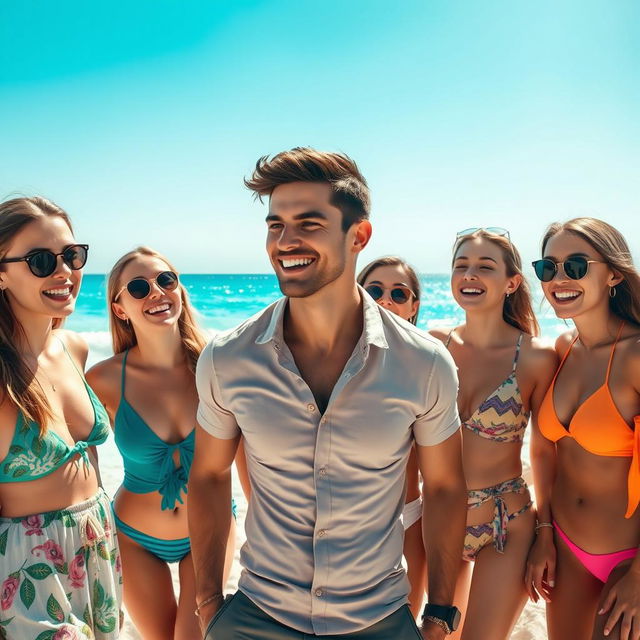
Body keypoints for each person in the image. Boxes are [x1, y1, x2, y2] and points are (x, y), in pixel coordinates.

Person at [190, 147, 467, 640]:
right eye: (275, 225)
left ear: (358, 235)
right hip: (256, 616)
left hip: (379, 618)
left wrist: (441, 614)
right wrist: (209, 602)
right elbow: (210, 475)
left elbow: (444, 487)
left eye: (309, 223)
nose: (286, 241)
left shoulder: (423, 364)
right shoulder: (226, 358)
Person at [86, 247, 236, 640]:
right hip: (133, 536)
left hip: (209, 528)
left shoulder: (215, 366)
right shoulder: (102, 379)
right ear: (120, 309)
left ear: (180, 290)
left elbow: (250, 457)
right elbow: (81, 464)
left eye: (166, 280)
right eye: (139, 287)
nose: (156, 292)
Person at [0, 196, 122, 639]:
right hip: (27, 568)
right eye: (40, 260)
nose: (65, 272)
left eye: (72, 255)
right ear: (1, 272)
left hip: (97, 549)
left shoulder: (74, 348)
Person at [430, 228, 556, 639]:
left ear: (512, 282)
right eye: (461, 266)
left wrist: (546, 534)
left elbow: (547, 451)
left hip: (505, 523)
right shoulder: (432, 346)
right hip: (437, 519)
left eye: (485, 267)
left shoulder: (535, 356)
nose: (470, 275)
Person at [525, 218, 640, 640]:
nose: (559, 278)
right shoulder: (562, 349)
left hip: (628, 560)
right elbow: (542, 451)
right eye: (548, 267)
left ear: (613, 273)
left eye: (576, 265)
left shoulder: (636, 357)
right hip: (565, 549)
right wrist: (543, 533)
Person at [357, 256, 427, 618]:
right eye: (374, 290)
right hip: (350, 517)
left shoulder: (431, 366)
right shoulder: (332, 361)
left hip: (410, 512)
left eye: (399, 293)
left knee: (407, 621)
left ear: (414, 306)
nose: (385, 300)